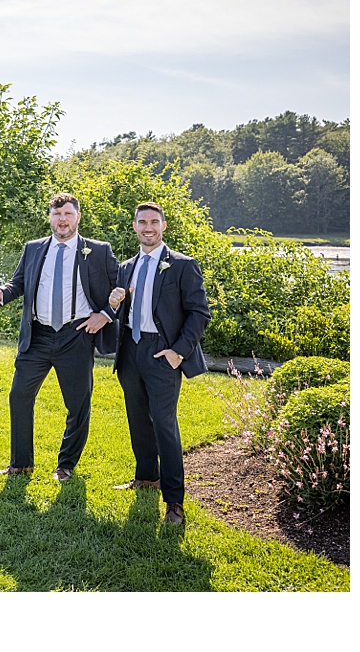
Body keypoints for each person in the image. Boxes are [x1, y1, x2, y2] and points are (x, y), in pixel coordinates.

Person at [0, 193, 119, 481]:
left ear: (77, 217)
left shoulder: (97, 251)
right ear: (50, 217)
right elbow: (18, 282)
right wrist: (2, 293)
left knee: (77, 404)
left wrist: (105, 314)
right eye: (57, 215)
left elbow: (122, 286)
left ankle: (65, 465)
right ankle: (21, 463)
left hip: (76, 336)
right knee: (19, 396)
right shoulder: (34, 249)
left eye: (68, 214)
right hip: (38, 336)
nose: (62, 220)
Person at [109, 202, 211, 526]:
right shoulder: (126, 267)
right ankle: (146, 477)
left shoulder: (182, 265)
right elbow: (120, 311)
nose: (148, 227)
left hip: (162, 353)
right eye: (142, 222)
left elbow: (199, 313)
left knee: (164, 425)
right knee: (138, 419)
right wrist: (112, 305)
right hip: (130, 351)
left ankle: (174, 502)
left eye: (154, 222)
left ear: (163, 226)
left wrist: (177, 352)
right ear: (135, 226)